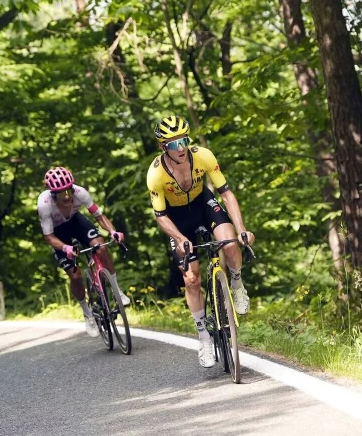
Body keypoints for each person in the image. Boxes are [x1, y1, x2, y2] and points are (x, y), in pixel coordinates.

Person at [146, 116, 255, 368]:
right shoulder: (155, 175)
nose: (181, 148)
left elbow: (226, 194)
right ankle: (203, 336)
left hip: (202, 204)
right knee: (191, 278)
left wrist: (241, 229)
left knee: (229, 244)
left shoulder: (204, 156)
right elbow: (160, 217)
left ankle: (237, 284)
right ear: (163, 147)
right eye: (174, 144)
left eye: (184, 141)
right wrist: (179, 238)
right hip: (175, 217)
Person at [36, 167, 131, 338]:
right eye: (61, 192)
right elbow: (49, 237)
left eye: (68, 190)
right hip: (58, 233)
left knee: (101, 247)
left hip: (76, 222)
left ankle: (118, 292)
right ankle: (87, 314)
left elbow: (100, 217)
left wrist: (112, 232)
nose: (66, 196)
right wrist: (66, 248)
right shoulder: (44, 204)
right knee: (76, 276)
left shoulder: (81, 193)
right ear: (52, 194)